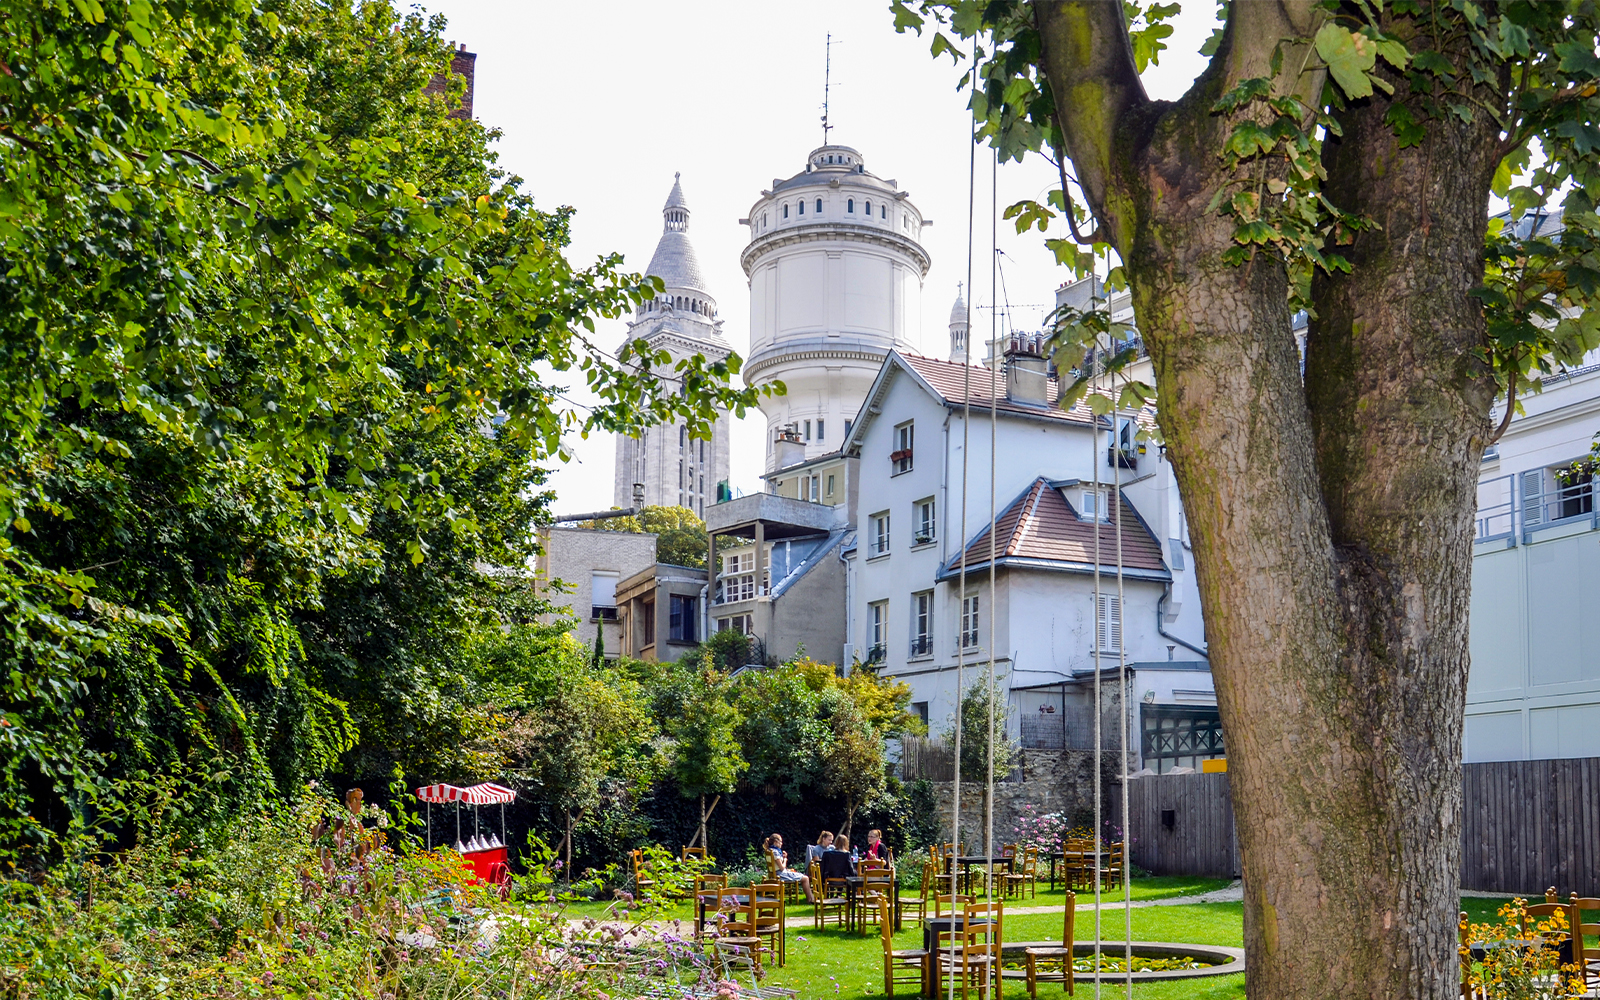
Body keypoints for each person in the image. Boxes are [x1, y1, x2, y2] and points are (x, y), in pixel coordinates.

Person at [764, 833, 815, 903]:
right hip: (780, 875)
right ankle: (810, 899)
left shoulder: (769, 850)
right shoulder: (775, 852)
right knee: (805, 878)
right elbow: (782, 868)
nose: (781, 843)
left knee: (802, 876)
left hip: (775, 874)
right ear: (775, 842)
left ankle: (812, 899)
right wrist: (785, 859)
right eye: (780, 841)